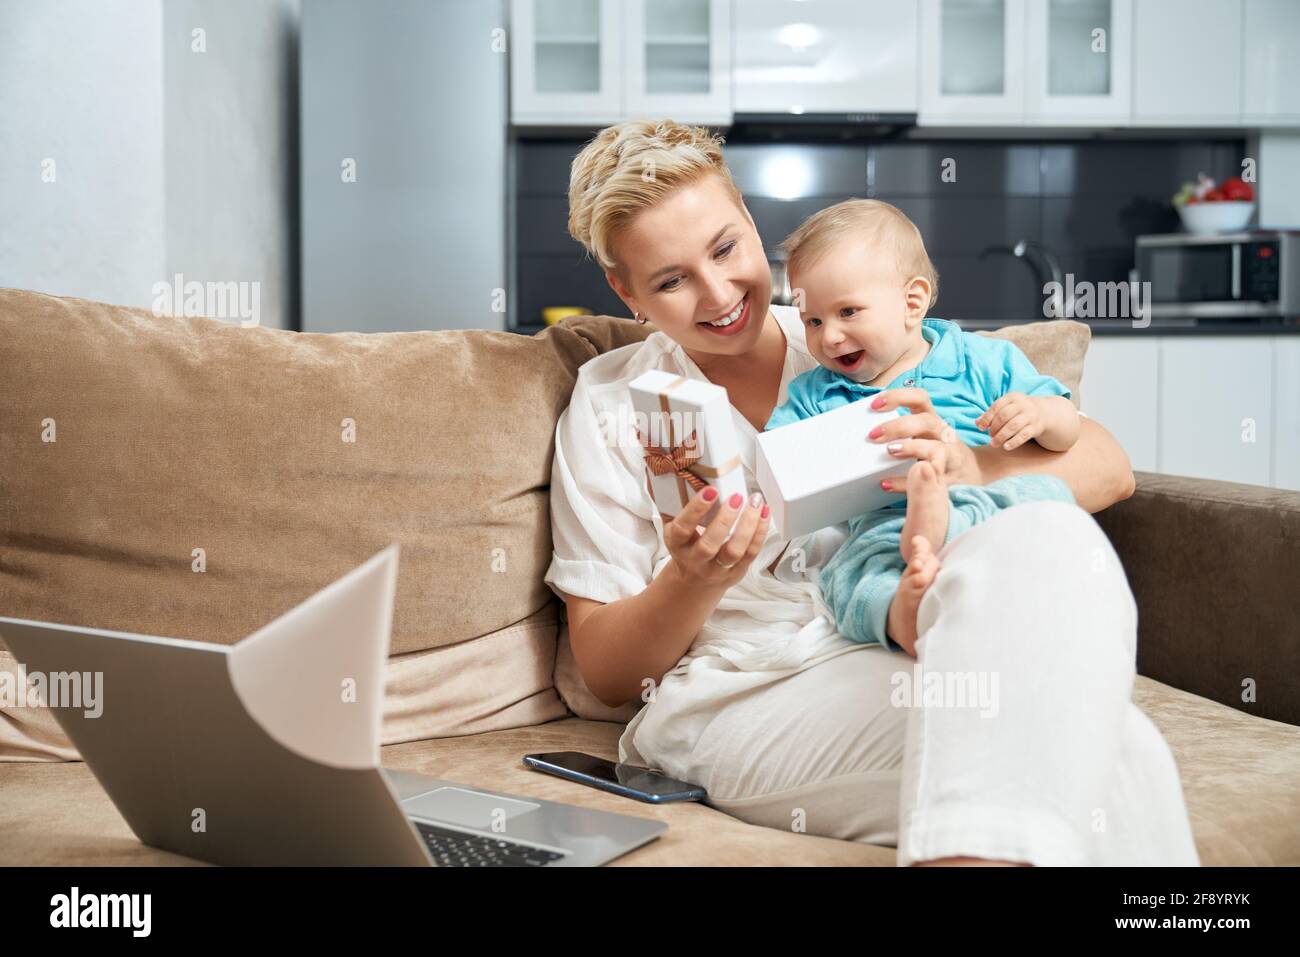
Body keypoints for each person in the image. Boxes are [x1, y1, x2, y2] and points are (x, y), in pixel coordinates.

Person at [543, 118, 1199, 865]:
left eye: (726, 248)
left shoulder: (854, 328)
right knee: (1110, 758)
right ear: (625, 291)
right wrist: (693, 580)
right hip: (740, 690)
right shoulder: (609, 406)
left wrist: (966, 466)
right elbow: (607, 672)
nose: (719, 292)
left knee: (1056, 543)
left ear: (752, 224)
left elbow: (1108, 467)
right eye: (670, 280)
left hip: (890, 639)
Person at [766, 198, 1080, 653]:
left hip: (988, 503)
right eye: (812, 320)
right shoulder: (817, 393)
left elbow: (1068, 427)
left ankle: (946, 527)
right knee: (846, 577)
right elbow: (779, 460)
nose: (829, 336)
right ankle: (904, 616)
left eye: (848, 312)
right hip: (886, 526)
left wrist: (1042, 414)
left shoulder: (980, 359)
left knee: (1050, 497)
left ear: (912, 302)